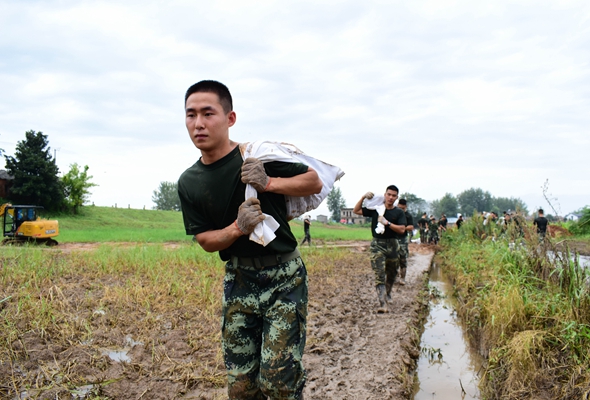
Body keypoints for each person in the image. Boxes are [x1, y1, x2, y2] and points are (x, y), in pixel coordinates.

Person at [178, 80, 322, 400]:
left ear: (230, 119)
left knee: (278, 381)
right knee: (241, 387)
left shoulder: (256, 157)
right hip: (239, 279)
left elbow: (313, 180)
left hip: (284, 276)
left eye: (208, 113)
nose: (198, 123)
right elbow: (205, 239)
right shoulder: (189, 182)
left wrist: (268, 181)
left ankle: (290, 379)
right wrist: (237, 229)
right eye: (191, 115)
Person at [353, 185, 406, 313]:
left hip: (393, 245)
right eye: (389, 194)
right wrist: (363, 197)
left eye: (393, 195)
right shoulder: (377, 209)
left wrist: (387, 223)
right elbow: (356, 210)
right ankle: (382, 304)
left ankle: (388, 293)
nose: (390, 197)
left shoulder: (398, 212)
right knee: (379, 274)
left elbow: (402, 229)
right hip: (377, 244)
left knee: (392, 273)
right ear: (385, 195)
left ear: (396, 197)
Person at [397, 199, 414, 285]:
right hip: (393, 239)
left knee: (403, 258)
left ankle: (402, 278)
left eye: (402, 208)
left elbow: (411, 227)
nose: (401, 209)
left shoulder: (408, 216)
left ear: (405, 207)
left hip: (403, 239)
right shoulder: (394, 213)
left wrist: (402, 228)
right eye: (399, 207)